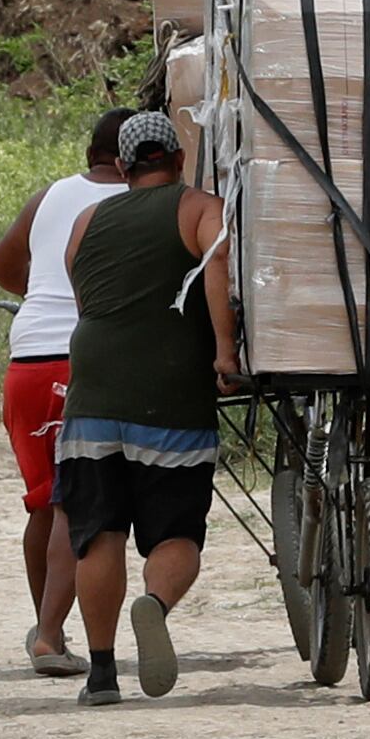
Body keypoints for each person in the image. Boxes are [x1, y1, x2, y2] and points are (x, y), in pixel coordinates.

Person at [57, 110, 237, 708]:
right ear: (178, 158)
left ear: (124, 167)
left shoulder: (87, 220)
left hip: (93, 391)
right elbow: (217, 268)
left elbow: (86, 301)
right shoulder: (197, 208)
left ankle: (102, 673)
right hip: (170, 394)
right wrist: (225, 354)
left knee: (97, 535)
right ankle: (154, 604)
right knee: (177, 531)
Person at [0, 108, 133, 678]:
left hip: (26, 361)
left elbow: (0, 263)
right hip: (80, 358)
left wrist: (44, 292)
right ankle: (49, 636)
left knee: (44, 502)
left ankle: (49, 627)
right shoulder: (132, 202)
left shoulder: (50, 196)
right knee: (77, 502)